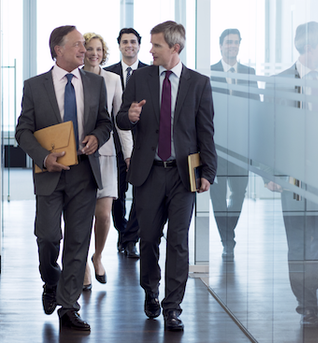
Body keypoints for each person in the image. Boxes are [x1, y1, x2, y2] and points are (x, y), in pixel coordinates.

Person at [115, 20, 216, 331]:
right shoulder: (140, 78)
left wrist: (208, 171)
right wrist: (128, 116)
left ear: (175, 47)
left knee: (178, 242)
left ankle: (173, 307)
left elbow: (206, 132)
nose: (150, 50)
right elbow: (120, 117)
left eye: (156, 45)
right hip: (148, 173)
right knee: (148, 240)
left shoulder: (199, 83)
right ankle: (151, 291)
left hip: (183, 175)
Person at [14, 25, 112, 331]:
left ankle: (69, 307)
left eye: (84, 45)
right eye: (78, 45)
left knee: (78, 241)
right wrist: (44, 157)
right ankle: (50, 282)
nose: (85, 50)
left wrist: (97, 136)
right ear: (58, 49)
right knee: (48, 236)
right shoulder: (35, 86)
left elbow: (105, 122)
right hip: (49, 173)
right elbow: (23, 131)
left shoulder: (96, 83)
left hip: (84, 172)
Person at [265, 21, 318, 327]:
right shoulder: (278, 82)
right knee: (297, 243)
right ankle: (307, 302)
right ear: (309, 47)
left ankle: (310, 290)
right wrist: (269, 173)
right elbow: (268, 130)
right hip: (293, 178)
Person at [80, 32, 133, 290]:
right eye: (89, 48)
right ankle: (83, 265)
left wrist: (128, 152)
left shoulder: (112, 79)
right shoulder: (75, 77)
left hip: (107, 153)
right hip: (80, 153)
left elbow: (120, 121)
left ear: (104, 52)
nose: (94, 53)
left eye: (98, 49)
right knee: (79, 215)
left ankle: (98, 255)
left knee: (103, 215)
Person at [209, 28, 260, 260]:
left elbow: (255, 110)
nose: (232, 46)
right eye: (228, 42)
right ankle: (227, 239)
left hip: (241, 148)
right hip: (217, 147)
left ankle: (228, 232)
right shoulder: (210, 73)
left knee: (239, 193)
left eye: (236, 42)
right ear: (221, 46)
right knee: (217, 196)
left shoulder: (250, 73)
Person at [104, 28, 148, 258]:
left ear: (139, 45)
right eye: (125, 42)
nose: (129, 45)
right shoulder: (107, 73)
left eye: (133, 42)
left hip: (142, 143)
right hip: (114, 143)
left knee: (140, 193)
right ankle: (122, 231)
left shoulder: (150, 73)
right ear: (119, 46)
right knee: (117, 194)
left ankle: (131, 238)